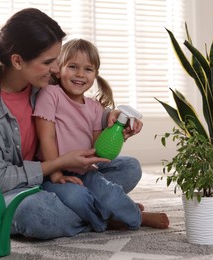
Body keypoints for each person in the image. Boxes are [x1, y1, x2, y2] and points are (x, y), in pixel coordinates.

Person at [0, 8, 151, 240]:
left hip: (56, 177)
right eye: (49, 62)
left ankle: (89, 209)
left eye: (58, 61)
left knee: (128, 167)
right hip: (9, 191)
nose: (55, 70)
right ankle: (106, 215)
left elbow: (78, 105)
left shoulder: (43, 80)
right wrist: (56, 166)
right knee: (36, 212)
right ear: (18, 61)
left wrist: (112, 117)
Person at [32, 38, 169, 231]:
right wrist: (56, 174)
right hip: (53, 171)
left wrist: (119, 133)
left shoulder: (95, 108)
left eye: (88, 69)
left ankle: (118, 211)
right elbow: (46, 137)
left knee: (110, 192)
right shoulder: (51, 94)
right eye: (72, 66)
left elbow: (98, 151)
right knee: (76, 197)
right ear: (59, 68)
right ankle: (119, 216)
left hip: (85, 170)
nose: (80, 74)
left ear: (95, 74)